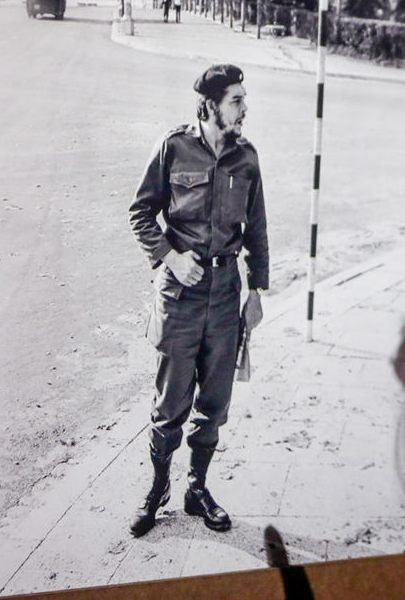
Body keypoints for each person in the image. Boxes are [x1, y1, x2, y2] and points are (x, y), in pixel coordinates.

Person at [128, 63, 269, 537]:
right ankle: (158, 488)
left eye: (244, 99)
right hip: (180, 296)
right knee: (170, 404)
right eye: (237, 100)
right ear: (211, 105)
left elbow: (258, 230)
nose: (245, 108)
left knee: (215, 403)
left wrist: (257, 291)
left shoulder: (247, 159)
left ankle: (197, 487)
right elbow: (140, 213)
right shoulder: (173, 148)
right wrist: (170, 257)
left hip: (227, 295)